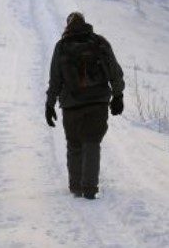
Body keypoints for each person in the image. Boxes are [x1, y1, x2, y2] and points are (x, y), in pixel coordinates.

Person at [44, 11, 124, 199]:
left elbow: (55, 79)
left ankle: (75, 187)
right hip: (98, 102)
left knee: (74, 145)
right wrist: (118, 95)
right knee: (92, 143)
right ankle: (89, 188)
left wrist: (50, 105)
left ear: (67, 26)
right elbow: (114, 70)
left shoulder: (62, 47)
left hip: (72, 104)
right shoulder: (99, 42)